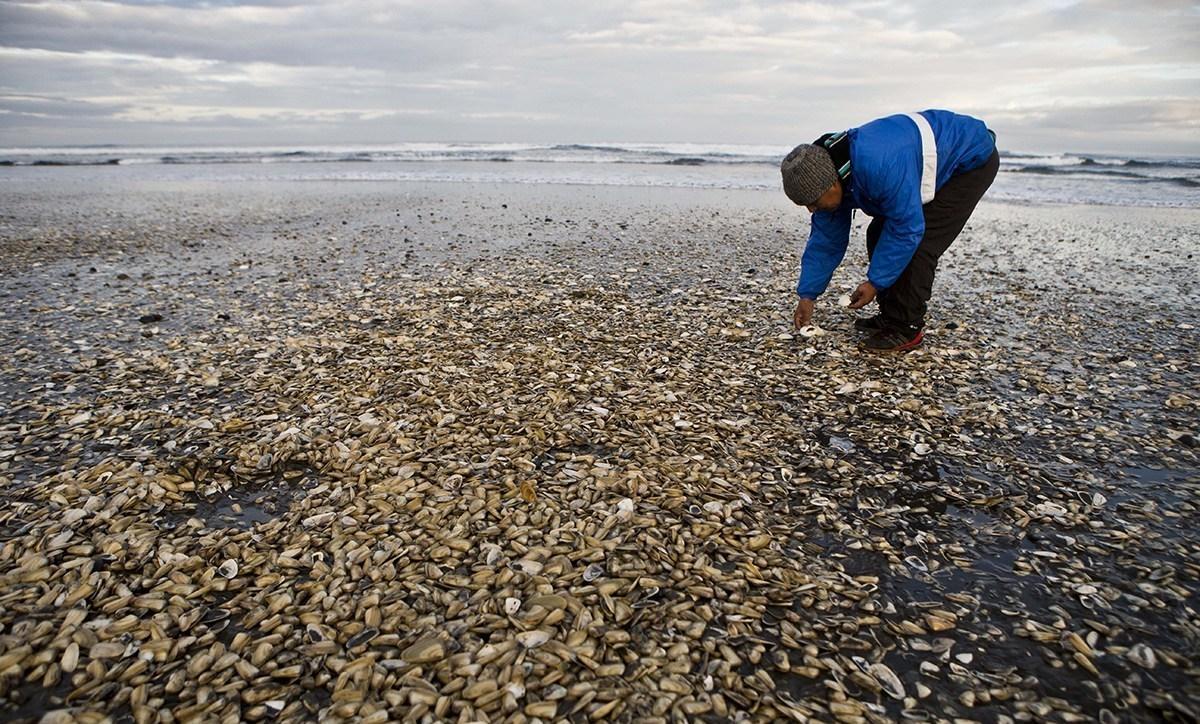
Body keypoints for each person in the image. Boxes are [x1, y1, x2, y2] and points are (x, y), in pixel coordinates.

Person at [781, 109, 999, 352]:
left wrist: (875, 283)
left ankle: (905, 327)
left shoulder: (879, 167)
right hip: (916, 159)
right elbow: (826, 241)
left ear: (833, 184)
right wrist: (808, 295)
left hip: (969, 161)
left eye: (814, 202)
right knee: (878, 233)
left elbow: (907, 229)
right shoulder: (826, 171)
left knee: (920, 243)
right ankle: (890, 315)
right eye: (806, 205)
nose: (812, 209)